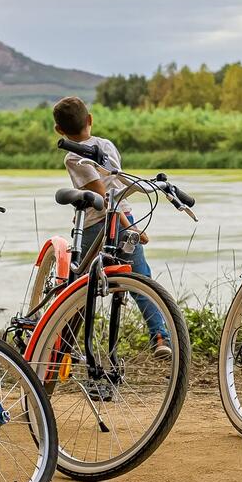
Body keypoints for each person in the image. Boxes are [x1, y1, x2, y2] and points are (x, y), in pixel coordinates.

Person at [52, 96, 172, 359]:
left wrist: (128, 225)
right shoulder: (105, 145)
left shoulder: (72, 157)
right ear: (90, 120)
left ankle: (65, 344)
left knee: (80, 286)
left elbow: (103, 194)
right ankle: (160, 335)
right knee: (141, 279)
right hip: (124, 218)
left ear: (59, 130)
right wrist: (131, 226)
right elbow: (116, 189)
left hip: (97, 225)